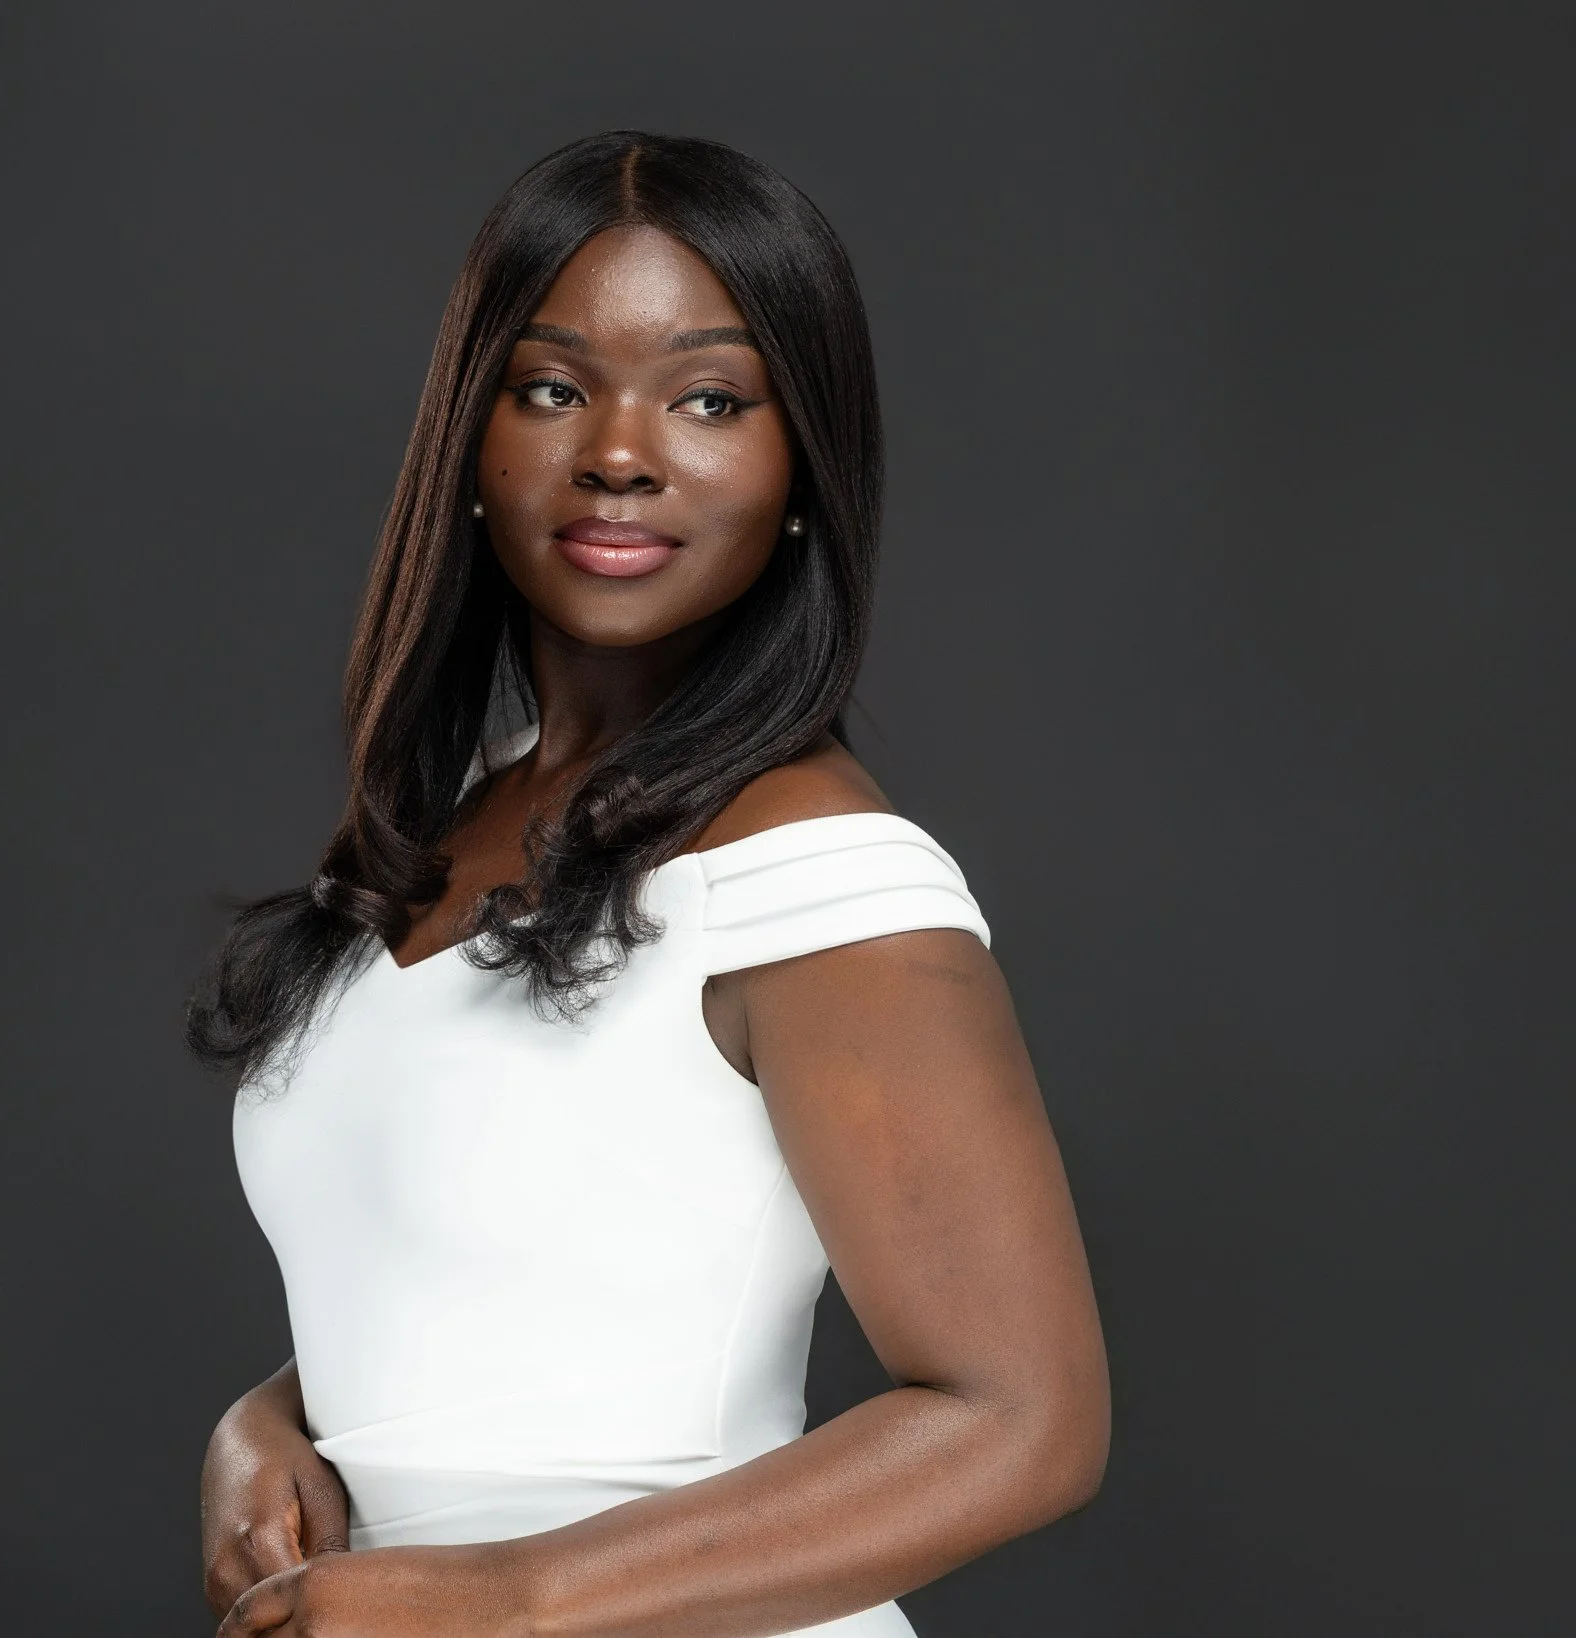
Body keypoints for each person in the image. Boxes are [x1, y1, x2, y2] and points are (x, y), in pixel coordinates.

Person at [189, 130, 1109, 1638]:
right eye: (553, 388)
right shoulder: (433, 839)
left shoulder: (818, 876)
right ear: (468, 443)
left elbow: (1022, 1418)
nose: (620, 449)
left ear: (799, 461)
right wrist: (264, 1425)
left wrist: (510, 1596)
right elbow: (522, 1288)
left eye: (707, 398)